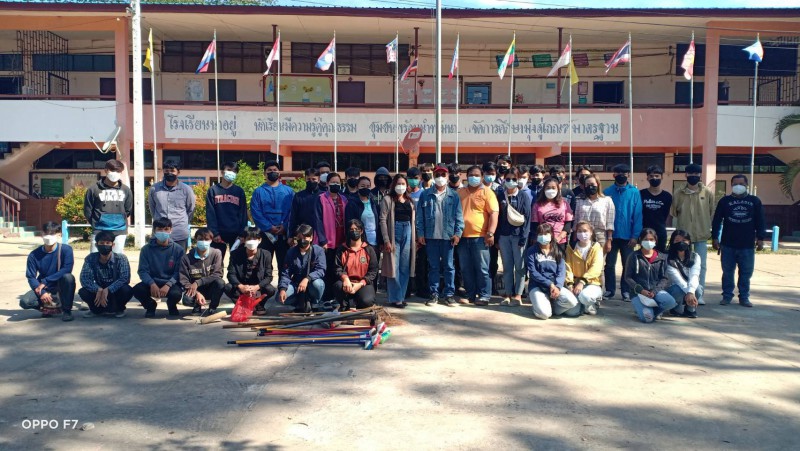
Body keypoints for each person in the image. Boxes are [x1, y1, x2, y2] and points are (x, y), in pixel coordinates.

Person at [712, 174, 766, 308]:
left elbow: (760, 220)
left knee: (746, 273)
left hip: (747, 245)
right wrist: (714, 237)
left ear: (746, 185)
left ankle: (744, 297)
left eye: (741, 184)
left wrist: (761, 238)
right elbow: (717, 220)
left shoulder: (754, 201)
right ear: (731, 185)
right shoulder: (724, 201)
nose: (738, 186)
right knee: (727, 272)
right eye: (735, 184)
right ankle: (726, 296)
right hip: (727, 244)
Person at [416, 164, 464, 307]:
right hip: (431, 237)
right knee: (433, 267)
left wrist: (458, 233)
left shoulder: (454, 195)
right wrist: (420, 233)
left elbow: (459, 216)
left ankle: (449, 294)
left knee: (449, 267)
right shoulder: (425, 194)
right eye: (437, 175)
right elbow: (420, 217)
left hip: (448, 237)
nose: (440, 178)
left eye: (443, 175)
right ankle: (434, 294)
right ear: (434, 176)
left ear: (447, 177)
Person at [670, 163, 715, 295]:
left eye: (696, 174)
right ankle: (684, 292)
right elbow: (674, 211)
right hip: (684, 236)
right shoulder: (678, 192)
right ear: (686, 175)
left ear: (700, 175)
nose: (693, 176)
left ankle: (699, 293)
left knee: (701, 265)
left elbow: (711, 210)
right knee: (681, 263)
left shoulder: (707, 192)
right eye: (690, 174)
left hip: (701, 234)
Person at [458, 164, 499, 306]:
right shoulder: (460, 192)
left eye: (477, 175)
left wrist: (490, 233)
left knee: (482, 268)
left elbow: (494, 213)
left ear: (482, 177)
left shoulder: (487, 192)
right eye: (471, 175)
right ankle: (470, 295)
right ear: (466, 177)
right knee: (466, 268)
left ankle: (484, 295)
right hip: (462, 237)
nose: (473, 177)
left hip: (481, 237)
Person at [21, 222, 76, 321]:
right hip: (43, 287)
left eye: (52, 234)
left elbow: (67, 269)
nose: (49, 237)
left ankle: (66, 310)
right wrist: (42, 292)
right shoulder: (34, 255)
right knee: (25, 302)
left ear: (59, 235)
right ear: (42, 234)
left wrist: (46, 281)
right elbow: (31, 276)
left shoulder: (66, 250)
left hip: (59, 285)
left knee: (68, 278)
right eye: (46, 234)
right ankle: (47, 307)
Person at [603, 163, 642, 301]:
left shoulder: (634, 192)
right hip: (611, 236)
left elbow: (638, 215)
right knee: (609, 264)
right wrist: (607, 236)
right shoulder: (607, 192)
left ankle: (626, 291)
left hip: (628, 236)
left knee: (628, 265)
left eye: (624, 173)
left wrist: (635, 236)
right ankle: (610, 290)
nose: (621, 175)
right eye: (618, 173)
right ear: (613, 175)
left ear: (628, 175)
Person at [133, 218, 185, 318]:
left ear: (171, 230)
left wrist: (168, 284)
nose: (163, 232)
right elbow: (142, 271)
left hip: (170, 283)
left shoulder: (178, 250)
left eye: (166, 229)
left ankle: (171, 305)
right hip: (152, 282)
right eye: (160, 229)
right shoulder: (146, 249)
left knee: (176, 293)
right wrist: (152, 283)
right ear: (154, 231)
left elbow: (179, 272)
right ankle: (150, 306)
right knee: (137, 290)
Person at [527, 223, 580, 320]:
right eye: (540, 234)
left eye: (546, 234)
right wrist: (550, 284)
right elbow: (533, 273)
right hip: (537, 286)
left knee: (573, 304)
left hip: (555, 285)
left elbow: (561, 271)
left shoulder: (558, 250)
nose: (543, 237)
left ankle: (552, 307)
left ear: (551, 235)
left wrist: (558, 287)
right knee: (544, 315)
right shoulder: (531, 251)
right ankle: (540, 307)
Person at [495, 167, 532, 306]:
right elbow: (497, 218)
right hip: (504, 236)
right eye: (508, 179)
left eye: (514, 179)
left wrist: (524, 237)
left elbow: (527, 218)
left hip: (519, 237)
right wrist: (497, 237)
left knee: (520, 267)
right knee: (507, 266)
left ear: (518, 180)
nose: (510, 181)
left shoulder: (523, 196)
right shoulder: (500, 195)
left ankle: (518, 295)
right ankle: (508, 294)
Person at [624, 228, 677, 323]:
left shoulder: (662, 257)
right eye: (645, 239)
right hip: (638, 293)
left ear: (655, 240)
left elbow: (664, 278)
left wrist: (655, 291)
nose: (648, 242)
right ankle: (644, 310)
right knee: (647, 319)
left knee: (670, 302)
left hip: (655, 291)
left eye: (651, 239)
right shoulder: (634, 256)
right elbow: (628, 277)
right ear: (640, 240)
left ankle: (653, 311)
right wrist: (641, 290)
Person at [250, 160, 294, 274]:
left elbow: (293, 212)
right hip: (265, 235)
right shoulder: (258, 192)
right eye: (269, 170)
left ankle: (283, 286)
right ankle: (264, 285)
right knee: (263, 266)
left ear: (279, 173)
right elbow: (256, 213)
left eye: (275, 170)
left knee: (284, 266)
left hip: (283, 235)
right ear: (265, 173)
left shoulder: (289, 191)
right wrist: (269, 227)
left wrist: (285, 226)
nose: (272, 172)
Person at [380, 174, 416, 308]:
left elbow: (414, 220)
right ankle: (395, 298)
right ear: (393, 185)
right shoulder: (387, 199)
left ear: (407, 186)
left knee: (404, 267)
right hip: (394, 232)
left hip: (408, 231)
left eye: (403, 184)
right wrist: (386, 240)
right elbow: (383, 220)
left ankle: (400, 296)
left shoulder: (410, 201)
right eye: (398, 184)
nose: (401, 186)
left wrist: (415, 239)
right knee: (393, 267)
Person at [78, 230, 133, 318]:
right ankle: (95, 310)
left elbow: (124, 278)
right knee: (83, 291)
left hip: (114, 291)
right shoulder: (90, 258)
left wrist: (108, 289)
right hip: (98, 292)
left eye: (108, 243)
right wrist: (98, 289)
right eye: (101, 243)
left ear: (113, 245)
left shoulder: (121, 258)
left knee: (127, 289)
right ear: (96, 245)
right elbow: (85, 278)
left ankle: (118, 309)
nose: (105, 245)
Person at [224, 227, 277, 316]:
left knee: (270, 289)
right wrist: (241, 286)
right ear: (244, 240)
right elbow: (231, 274)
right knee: (228, 287)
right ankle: (242, 305)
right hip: (242, 288)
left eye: (255, 239)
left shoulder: (266, 254)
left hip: (258, 288)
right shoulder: (235, 254)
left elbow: (269, 276)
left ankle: (259, 305)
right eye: (249, 239)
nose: (252, 241)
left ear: (259, 240)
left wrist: (257, 287)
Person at [84, 159, 132, 253]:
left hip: (119, 231)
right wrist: (96, 222)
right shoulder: (93, 189)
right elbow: (88, 211)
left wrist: (118, 220)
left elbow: (128, 210)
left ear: (121, 172)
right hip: (99, 230)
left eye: (118, 171)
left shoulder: (126, 190)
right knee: (95, 258)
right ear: (106, 170)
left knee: (117, 258)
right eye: (112, 170)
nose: (115, 173)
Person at [276, 224, 327, 312]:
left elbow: (321, 270)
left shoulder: (318, 250)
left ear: (311, 238)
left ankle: (315, 303)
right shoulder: (291, 252)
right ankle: (299, 303)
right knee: (278, 297)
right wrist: (283, 289)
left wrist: (307, 279)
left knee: (318, 284)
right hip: (297, 285)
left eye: (305, 237)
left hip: (312, 283)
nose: (302, 240)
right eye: (299, 237)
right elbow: (285, 273)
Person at [147, 162, 196, 249]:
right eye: (166, 170)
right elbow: (152, 208)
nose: (169, 173)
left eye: (172, 171)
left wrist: (183, 222)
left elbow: (191, 209)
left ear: (178, 172)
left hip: (179, 233)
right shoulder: (154, 189)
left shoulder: (186, 190)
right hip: (160, 233)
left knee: (179, 257)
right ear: (163, 171)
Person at [206, 161, 248, 262]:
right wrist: (214, 233)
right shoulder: (213, 190)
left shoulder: (239, 191)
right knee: (216, 263)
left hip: (236, 234)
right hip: (218, 235)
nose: (231, 173)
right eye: (229, 170)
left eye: (234, 171)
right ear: (222, 172)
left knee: (236, 263)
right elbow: (210, 213)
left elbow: (243, 214)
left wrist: (242, 234)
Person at [316, 172, 348, 301]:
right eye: (333, 182)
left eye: (338, 183)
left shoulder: (344, 199)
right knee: (327, 269)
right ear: (327, 183)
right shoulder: (321, 198)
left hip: (341, 240)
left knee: (338, 269)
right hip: (327, 242)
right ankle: (326, 297)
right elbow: (317, 220)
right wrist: (322, 240)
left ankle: (337, 296)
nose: (335, 185)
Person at [334, 219, 379, 310]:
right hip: (347, 283)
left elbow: (373, 270)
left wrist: (361, 283)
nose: (354, 231)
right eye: (351, 229)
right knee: (338, 286)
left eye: (357, 229)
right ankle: (345, 307)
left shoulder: (369, 249)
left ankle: (359, 304)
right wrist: (345, 279)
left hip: (363, 283)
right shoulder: (342, 249)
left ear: (361, 231)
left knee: (367, 301)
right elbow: (337, 268)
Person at [179, 227, 225, 315]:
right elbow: (183, 279)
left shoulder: (216, 253)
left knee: (220, 283)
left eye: (206, 239)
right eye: (200, 239)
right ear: (196, 240)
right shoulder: (186, 258)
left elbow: (217, 274)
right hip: (194, 289)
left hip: (211, 287)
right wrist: (196, 293)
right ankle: (197, 306)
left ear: (211, 240)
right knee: (187, 300)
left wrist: (198, 282)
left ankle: (212, 307)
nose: (203, 242)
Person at [565, 221, 604, 316]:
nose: (582, 233)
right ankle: (581, 306)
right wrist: (570, 284)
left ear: (591, 232)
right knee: (571, 312)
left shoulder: (596, 247)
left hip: (592, 283)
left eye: (585, 231)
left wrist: (582, 282)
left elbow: (596, 268)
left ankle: (593, 303)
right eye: (579, 231)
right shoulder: (571, 247)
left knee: (586, 297)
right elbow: (568, 267)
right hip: (575, 284)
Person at [666, 229, 703, 318]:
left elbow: (695, 275)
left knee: (698, 289)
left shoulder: (695, 257)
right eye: (677, 240)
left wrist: (691, 291)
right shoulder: (667, 257)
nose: (681, 243)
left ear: (689, 242)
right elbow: (677, 279)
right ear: (672, 242)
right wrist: (689, 292)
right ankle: (675, 308)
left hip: (688, 288)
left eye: (684, 240)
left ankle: (690, 309)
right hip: (673, 288)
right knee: (677, 290)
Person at [573, 174, 615, 253]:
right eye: (587, 185)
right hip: (583, 235)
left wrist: (609, 240)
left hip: (600, 236)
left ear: (598, 184)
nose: (590, 187)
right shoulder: (579, 201)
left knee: (598, 260)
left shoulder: (607, 201)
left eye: (592, 184)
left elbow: (610, 223)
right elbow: (576, 220)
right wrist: (575, 237)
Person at [531, 177, 573, 251]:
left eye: (553, 188)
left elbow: (568, 223)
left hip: (560, 241)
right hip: (543, 241)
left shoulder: (564, 204)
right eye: (548, 188)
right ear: (544, 189)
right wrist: (539, 238)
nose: (550, 190)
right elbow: (534, 225)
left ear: (558, 189)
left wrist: (559, 237)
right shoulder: (537, 205)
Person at [640, 165, 672, 253]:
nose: (654, 178)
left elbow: (667, 214)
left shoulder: (667, 196)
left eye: (657, 176)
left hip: (660, 232)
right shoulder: (641, 194)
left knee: (660, 256)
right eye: (651, 176)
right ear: (647, 178)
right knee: (645, 256)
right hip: (645, 232)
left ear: (662, 177)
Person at [406, 166, 427, 298]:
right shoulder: (405, 195)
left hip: (422, 235)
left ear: (420, 179)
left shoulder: (425, 194)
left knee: (422, 264)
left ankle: (422, 289)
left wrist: (420, 235)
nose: (413, 180)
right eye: (410, 178)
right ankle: (407, 289)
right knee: (407, 263)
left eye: (416, 178)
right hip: (408, 233)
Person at [344, 176, 381, 250]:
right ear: (357, 187)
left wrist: (381, 241)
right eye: (362, 186)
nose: (365, 188)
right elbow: (349, 224)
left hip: (374, 242)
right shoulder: (352, 204)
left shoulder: (373, 203)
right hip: (360, 242)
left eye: (368, 186)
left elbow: (378, 222)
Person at [288, 168, 321, 244]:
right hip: (303, 234)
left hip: (319, 234)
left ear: (319, 180)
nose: (311, 181)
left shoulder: (323, 196)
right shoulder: (298, 196)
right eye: (308, 179)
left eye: (314, 179)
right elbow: (293, 217)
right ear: (305, 179)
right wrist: (291, 235)